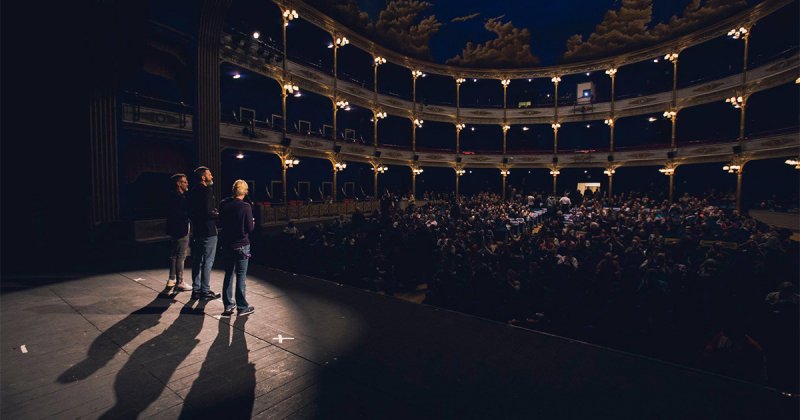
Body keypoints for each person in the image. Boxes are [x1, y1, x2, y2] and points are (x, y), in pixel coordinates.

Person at [219, 180, 256, 316]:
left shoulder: (224, 204)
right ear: (245, 192)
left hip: (227, 244)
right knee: (241, 275)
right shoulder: (246, 207)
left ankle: (228, 305)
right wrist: (252, 222)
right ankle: (242, 306)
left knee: (228, 274)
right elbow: (250, 228)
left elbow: (221, 222)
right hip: (242, 245)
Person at [188, 166, 221, 300]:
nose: (211, 176)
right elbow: (208, 212)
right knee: (208, 261)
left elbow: (191, 212)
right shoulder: (207, 191)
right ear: (203, 177)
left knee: (197, 261)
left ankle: (196, 289)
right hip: (208, 231)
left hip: (197, 230)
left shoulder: (192, 191)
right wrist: (218, 214)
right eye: (209, 174)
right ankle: (205, 291)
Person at [165, 173, 193, 292]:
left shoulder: (171, 196)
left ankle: (172, 279)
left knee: (174, 256)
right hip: (180, 231)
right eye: (185, 182)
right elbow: (180, 214)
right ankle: (180, 282)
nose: (187, 184)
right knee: (181, 256)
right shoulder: (179, 198)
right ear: (178, 184)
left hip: (174, 230)